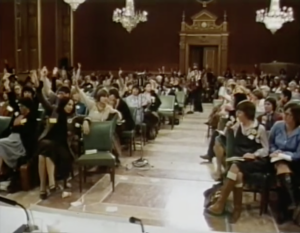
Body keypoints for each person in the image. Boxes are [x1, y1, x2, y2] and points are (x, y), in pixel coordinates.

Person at [206, 101, 269, 223]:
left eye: (240, 112)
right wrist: (228, 127)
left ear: (247, 113)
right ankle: (237, 209)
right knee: (237, 175)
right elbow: (224, 136)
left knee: (235, 168)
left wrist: (254, 154)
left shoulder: (259, 128)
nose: (237, 114)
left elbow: (266, 149)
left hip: (255, 161)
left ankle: (220, 203)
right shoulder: (237, 126)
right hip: (240, 159)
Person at [35, 81, 79, 199]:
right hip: (50, 142)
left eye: (71, 105)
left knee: (44, 152)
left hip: (63, 145)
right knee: (44, 150)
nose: (70, 107)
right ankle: (49, 185)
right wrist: (39, 89)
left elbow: (75, 130)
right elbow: (43, 101)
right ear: (63, 104)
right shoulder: (55, 111)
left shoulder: (73, 117)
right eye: (68, 104)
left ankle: (44, 187)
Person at [268, 102, 300, 223]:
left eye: (288, 114)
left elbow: (298, 154)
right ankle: (293, 202)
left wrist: (284, 154)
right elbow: (270, 143)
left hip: (295, 162)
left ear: (296, 116)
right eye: (284, 113)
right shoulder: (278, 126)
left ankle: (285, 208)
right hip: (274, 159)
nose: (285, 116)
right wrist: (275, 151)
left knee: (284, 168)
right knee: (281, 165)